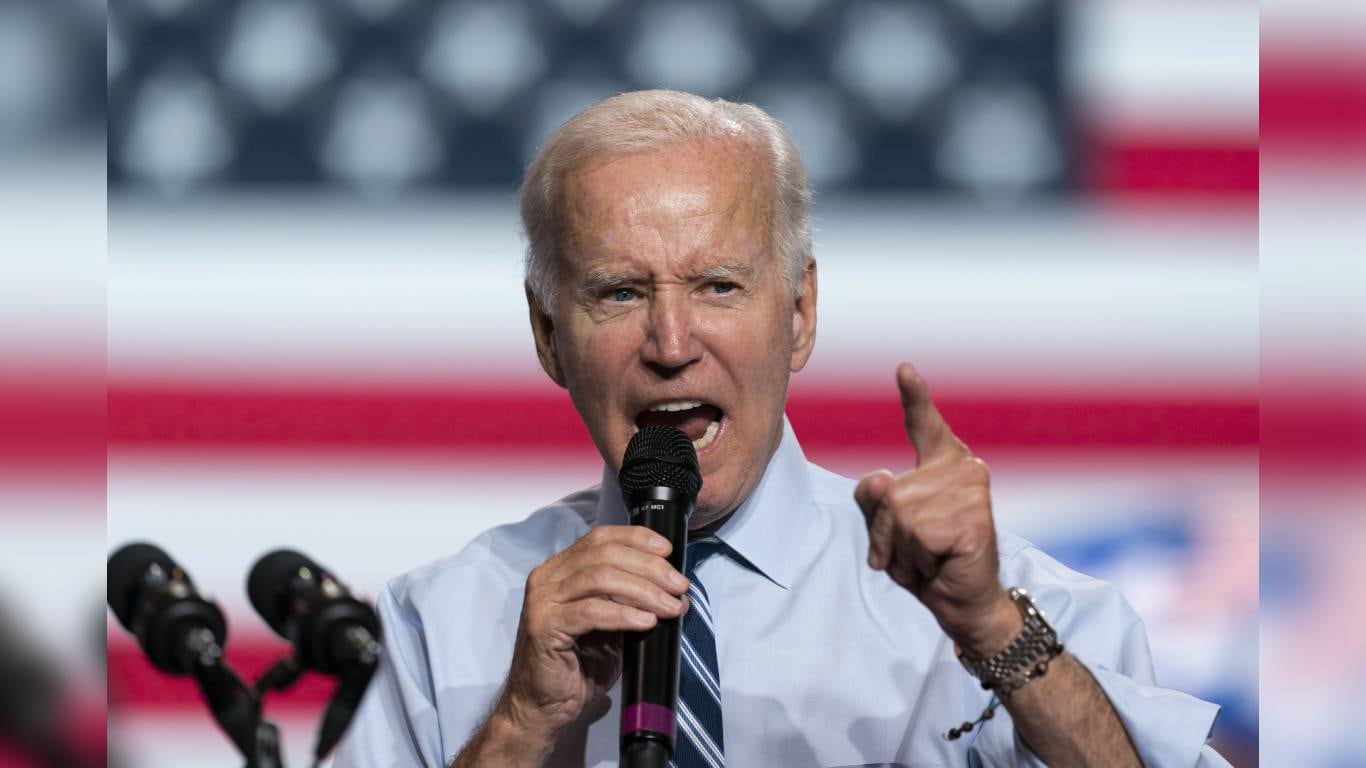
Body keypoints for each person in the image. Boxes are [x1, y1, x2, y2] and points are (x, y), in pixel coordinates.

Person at [333, 90, 1227, 768]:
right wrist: (522, 723)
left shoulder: (1007, 605)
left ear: (798, 312)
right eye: (620, 292)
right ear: (548, 336)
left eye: (718, 285)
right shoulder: (437, 625)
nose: (672, 344)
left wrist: (994, 630)